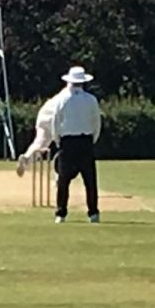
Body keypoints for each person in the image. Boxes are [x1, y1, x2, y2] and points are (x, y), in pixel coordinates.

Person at [50, 66, 102, 224]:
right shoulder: (91, 99)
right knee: (90, 181)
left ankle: (61, 214)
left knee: (63, 181)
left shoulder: (61, 99)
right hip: (85, 141)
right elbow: (96, 123)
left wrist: (58, 140)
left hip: (68, 142)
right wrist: (92, 139)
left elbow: (55, 122)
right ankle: (93, 213)